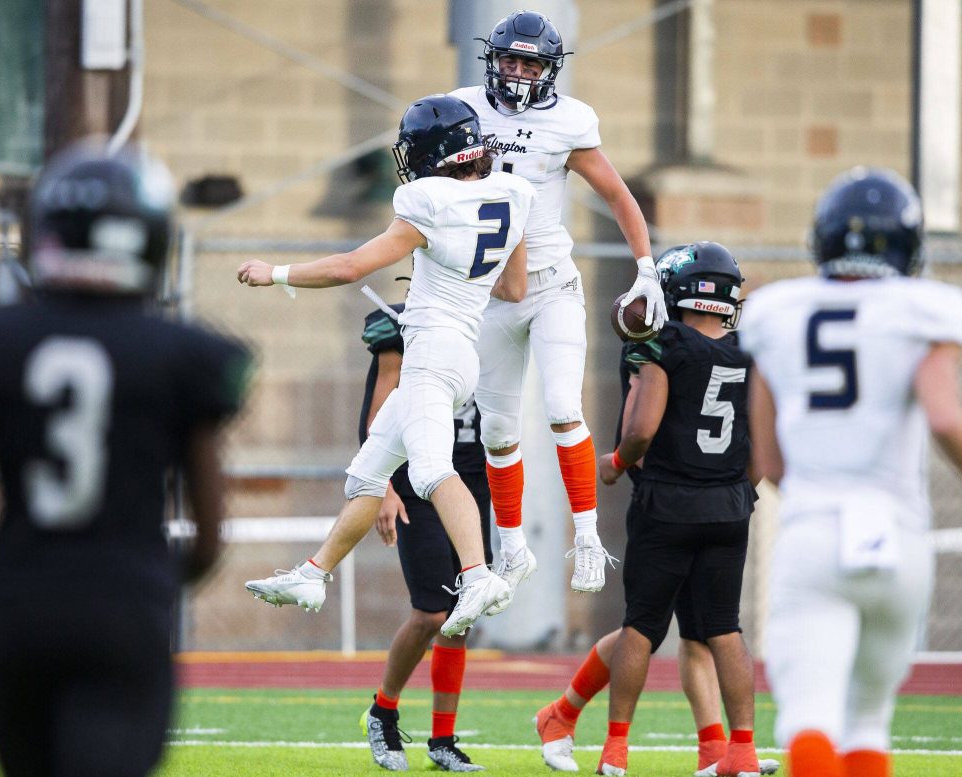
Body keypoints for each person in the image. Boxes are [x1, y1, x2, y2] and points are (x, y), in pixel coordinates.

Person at [0, 139, 251, 777]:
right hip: (126, 601)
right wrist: (151, 578)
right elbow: (210, 538)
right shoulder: (186, 354)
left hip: (22, 602)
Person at [240, 93, 536, 638]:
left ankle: (478, 574)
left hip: (432, 355)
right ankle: (313, 573)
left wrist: (276, 273)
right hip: (458, 352)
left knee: (427, 472)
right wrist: (457, 276)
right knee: (367, 476)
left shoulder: (428, 202)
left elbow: (350, 266)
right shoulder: (515, 193)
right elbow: (515, 288)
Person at [740, 167, 962, 777]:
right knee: (868, 717)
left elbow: (770, 458)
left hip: (812, 528)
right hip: (897, 532)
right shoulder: (926, 307)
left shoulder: (778, 310)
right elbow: (943, 416)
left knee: (809, 719)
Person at [533, 249, 778, 777]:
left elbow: (641, 429)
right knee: (722, 630)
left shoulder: (662, 346)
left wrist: (616, 464)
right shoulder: (749, 352)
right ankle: (739, 751)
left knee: (642, 626)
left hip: (667, 502)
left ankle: (614, 748)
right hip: (727, 506)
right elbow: (761, 442)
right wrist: (737, 490)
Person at [450, 10, 665, 598]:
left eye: (531, 63)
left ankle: (589, 539)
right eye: (510, 60)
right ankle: (511, 547)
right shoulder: (462, 107)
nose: (518, 72)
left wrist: (645, 264)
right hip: (492, 290)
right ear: (492, 60)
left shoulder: (570, 121)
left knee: (562, 406)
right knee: (496, 426)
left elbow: (617, 193)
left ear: (550, 69)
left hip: (550, 284)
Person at [355, 293, 490, 772]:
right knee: (432, 612)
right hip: (419, 478)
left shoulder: (487, 318)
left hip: (473, 481)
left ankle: (442, 739)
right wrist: (384, 486)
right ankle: (383, 711)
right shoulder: (404, 322)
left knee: (462, 614)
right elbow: (377, 419)